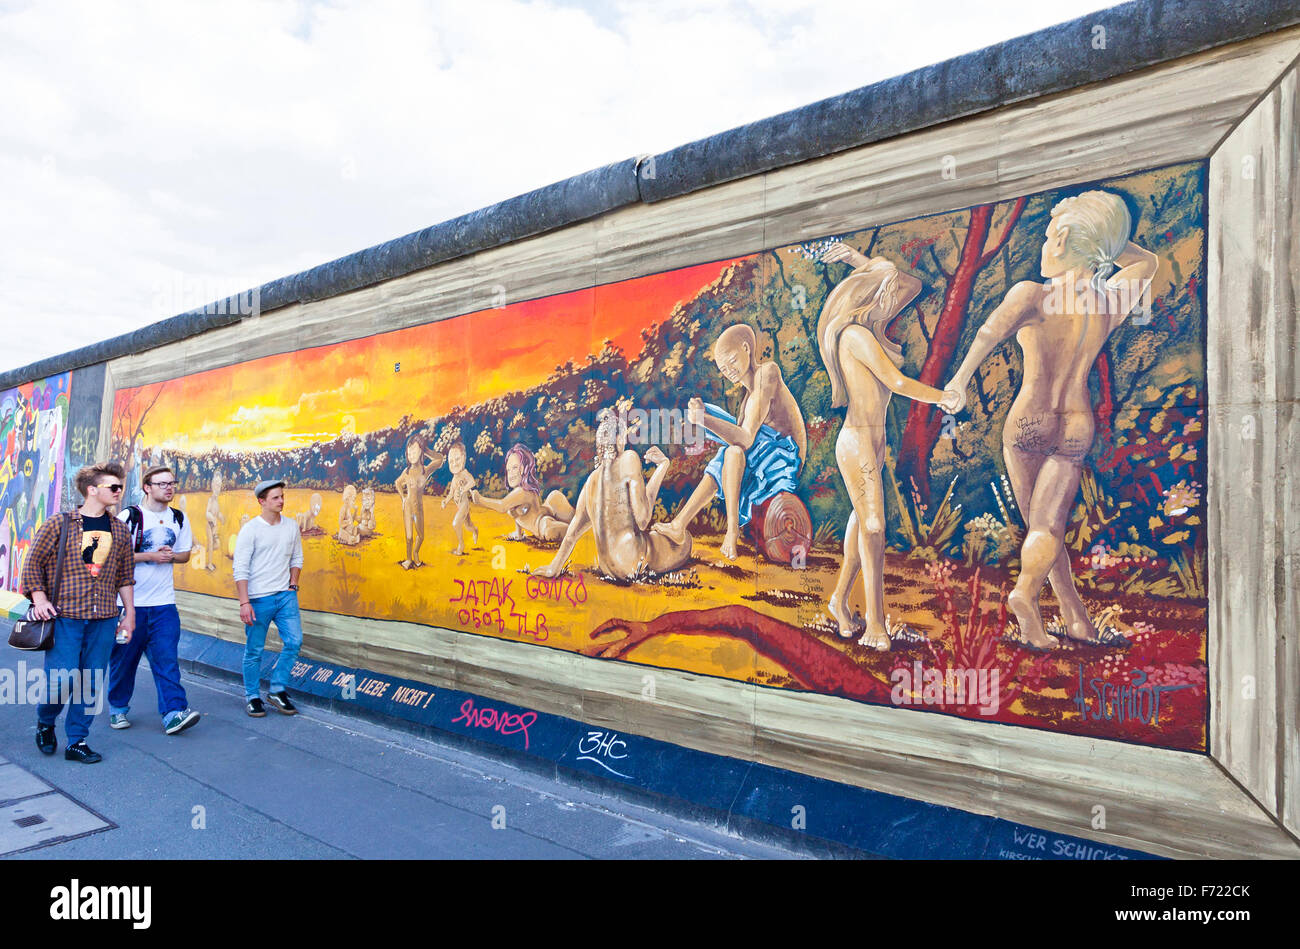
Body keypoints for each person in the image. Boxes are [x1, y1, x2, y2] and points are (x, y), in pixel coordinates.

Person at [943, 190, 1159, 649]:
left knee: (1040, 525)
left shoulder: (1031, 295)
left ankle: (1025, 592)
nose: (1042, 245)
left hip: (1027, 423)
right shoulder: (1109, 302)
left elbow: (986, 335)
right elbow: (1148, 264)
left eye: (1047, 235)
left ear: (1061, 240)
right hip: (1076, 425)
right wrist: (1104, 240)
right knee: (1049, 527)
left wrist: (960, 382)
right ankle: (1072, 617)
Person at [816, 245, 956, 649]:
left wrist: (860, 262)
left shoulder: (872, 331)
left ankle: (839, 601)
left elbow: (913, 284)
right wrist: (941, 397)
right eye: (887, 294)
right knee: (874, 528)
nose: (896, 299)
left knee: (863, 523)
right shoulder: (856, 335)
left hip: (872, 445)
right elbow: (896, 383)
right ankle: (875, 624)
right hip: (856, 442)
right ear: (872, 297)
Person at [653, 323, 807, 560]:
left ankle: (730, 530)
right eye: (723, 368)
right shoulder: (747, 400)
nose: (729, 371)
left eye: (732, 361)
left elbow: (745, 438)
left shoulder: (768, 373)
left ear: (746, 348)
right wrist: (705, 416)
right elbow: (740, 435)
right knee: (730, 452)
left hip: (784, 458)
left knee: (732, 451)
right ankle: (679, 525)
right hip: (765, 453)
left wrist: (703, 419)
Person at [23, 462, 136, 764]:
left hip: (104, 618)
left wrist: (129, 614)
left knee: (90, 680)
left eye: (120, 487)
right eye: (113, 487)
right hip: (65, 616)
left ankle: (77, 740)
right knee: (61, 680)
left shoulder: (120, 529)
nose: (118, 492)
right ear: (92, 490)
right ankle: (46, 721)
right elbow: (33, 563)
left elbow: (125, 575)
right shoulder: (60, 523)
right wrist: (39, 598)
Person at [533, 405, 690, 581]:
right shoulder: (629, 458)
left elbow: (572, 534)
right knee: (684, 540)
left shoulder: (591, 480)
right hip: (632, 563)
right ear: (619, 438)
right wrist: (662, 466)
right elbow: (643, 520)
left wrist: (553, 568)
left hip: (608, 568)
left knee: (657, 535)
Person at [107, 465, 201, 734]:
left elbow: (184, 554)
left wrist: (170, 555)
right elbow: (112, 557)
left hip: (164, 605)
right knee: (124, 661)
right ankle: (117, 708)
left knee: (167, 660)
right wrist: (150, 556)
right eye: (162, 484)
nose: (169, 488)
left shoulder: (178, 518)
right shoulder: (130, 517)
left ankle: (174, 712)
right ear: (147, 487)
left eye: (172, 483)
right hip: (127, 606)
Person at [232, 479, 304, 716]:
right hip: (258, 599)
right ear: (262, 501)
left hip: (285, 596)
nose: (281, 501)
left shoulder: (291, 526)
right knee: (254, 650)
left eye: (282, 496)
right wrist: (245, 603)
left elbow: (297, 558)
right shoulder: (251, 530)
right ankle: (252, 696)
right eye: (275, 497)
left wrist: (293, 585)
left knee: (294, 642)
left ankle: (276, 689)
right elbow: (240, 568)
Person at [471, 444, 573, 542]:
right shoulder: (516, 493)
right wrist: (518, 534)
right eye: (508, 469)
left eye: (514, 467)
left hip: (544, 524)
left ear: (524, 469)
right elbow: (517, 516)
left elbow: (502, 506)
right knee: (567, 524)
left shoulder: (522, 491)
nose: (510, 473)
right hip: (546, 514)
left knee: (567, 530)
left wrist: (480, 500)